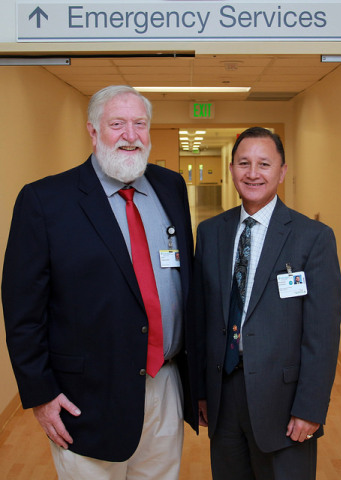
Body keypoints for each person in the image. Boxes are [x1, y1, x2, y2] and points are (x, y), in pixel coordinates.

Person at [2, 85, 198, 480]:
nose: (131, 135)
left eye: (140, 124)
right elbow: (23, 309)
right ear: (93, 132)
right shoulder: (45, 200)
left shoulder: (170, 186)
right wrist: (40, 394)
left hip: (166, 383)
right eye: (117, 124)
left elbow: (183, 283)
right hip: (87, 397)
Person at [195, 127, 341, 480]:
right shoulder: (211, 231)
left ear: (282, 171)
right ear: (231, 169)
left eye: (264, 163)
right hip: (224, 394)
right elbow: (202, 317)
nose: (253, 173)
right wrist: (201, 391)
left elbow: (321, 333)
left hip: (284, 401)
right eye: (244, 163)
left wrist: (310, 407)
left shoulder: (312, 237)